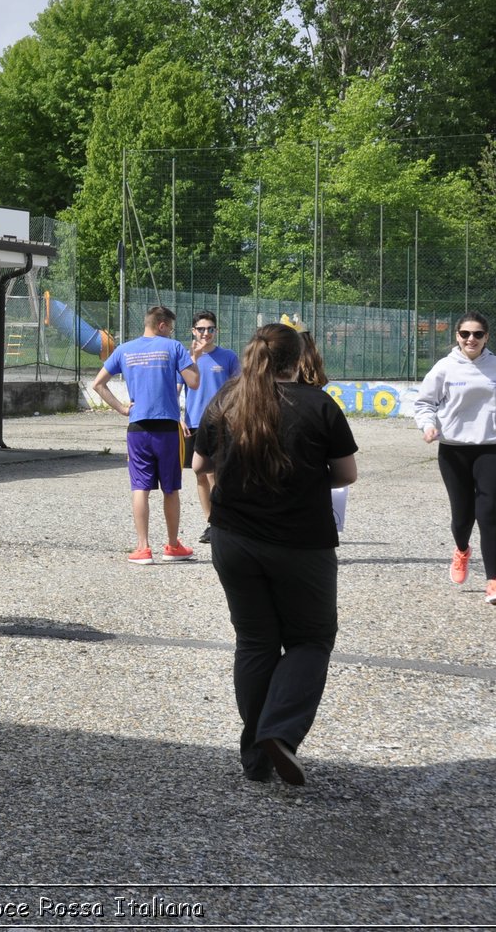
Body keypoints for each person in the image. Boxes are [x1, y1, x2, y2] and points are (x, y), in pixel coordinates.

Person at [193, 323, 358, 785]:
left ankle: (256, 758)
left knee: (255, 642)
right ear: (296, 358)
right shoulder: (318, 404)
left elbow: (201, 465)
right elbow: (346, 473)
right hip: (301, 542)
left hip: (233, 538)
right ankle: (280, 733)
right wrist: (302, 476)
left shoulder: (227, 398)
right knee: (310, 639)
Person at [413, 312, 496, 606]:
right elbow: (424, 403)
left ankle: (493, 582)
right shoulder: (444, 368)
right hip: (453, 450)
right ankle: (462, 550)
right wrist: (428, 425)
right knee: (462, 516)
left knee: (489, 512)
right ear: (457, 336)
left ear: (486, 337)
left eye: (478, 334)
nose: (471, 339)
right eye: (466, 334)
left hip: (490, 449)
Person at [91, 305, 208, 564]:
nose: (172, 332)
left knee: (140, 488)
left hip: (137, 429)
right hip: (166, 429)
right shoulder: (174, 347)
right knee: (170, 489)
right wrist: (195, 359)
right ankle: (173, 546)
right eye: (171, 328)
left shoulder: (123, 350)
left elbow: (98, 383)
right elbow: (194, 382)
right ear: (162, 325)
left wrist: (122, 408)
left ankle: (143, 548)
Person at [181, 310, 241, 544]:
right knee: (200, 474)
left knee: (214, 473)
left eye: (211, 329)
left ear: (216, 331)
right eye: (202, 329)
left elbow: (238, 388)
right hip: (195, 423)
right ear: (193, 331)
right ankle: (211, 522)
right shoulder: (185, 358)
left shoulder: (227, 357)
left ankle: (220, 521)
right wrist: (178, 417)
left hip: (220, 423)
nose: (206, 333)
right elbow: (177, 389)